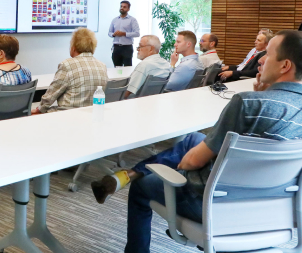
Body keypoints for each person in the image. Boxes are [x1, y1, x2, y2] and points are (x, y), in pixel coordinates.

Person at [91, 30, 302, 253]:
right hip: (276, 210)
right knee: (194, 138)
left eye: (267, 55)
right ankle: (130, 173)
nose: (260, 61)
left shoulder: (247, 104)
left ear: (284, 65)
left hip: (213, 206)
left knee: (142, 187)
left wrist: (181, 165)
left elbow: (191, 162)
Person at [33, 28, 108, 114]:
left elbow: (50, 96)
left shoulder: (67, 65)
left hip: (67, 116)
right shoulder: (102, 66)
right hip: (91, 115)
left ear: (73, 47)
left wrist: (38, 110)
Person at [123, 35, 170, 99]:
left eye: (140, 46)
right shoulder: (166, 64)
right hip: (153, 102)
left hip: (134, 103)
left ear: (151, 48)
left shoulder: (144, 65)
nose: (137, 49)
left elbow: (127, 92)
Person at [108, 0, 140, 67]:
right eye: (121, 6)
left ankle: (126, 78)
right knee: (117, 67)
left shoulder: (132, 20)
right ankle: (118, 77)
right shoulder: (115, 20)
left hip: (127, 48)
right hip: (116, 47)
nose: (122, 8)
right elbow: (109, 32)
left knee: (127, 68)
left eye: (124, 7)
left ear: (128, 9)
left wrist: (124, 34)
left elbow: (137, 33)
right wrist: (113, 34)